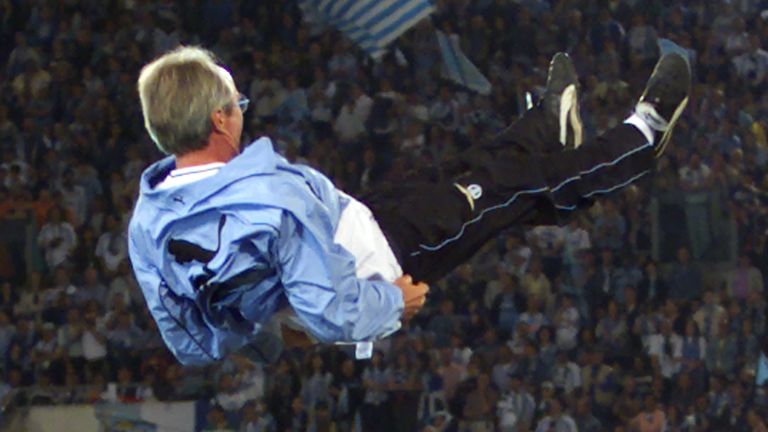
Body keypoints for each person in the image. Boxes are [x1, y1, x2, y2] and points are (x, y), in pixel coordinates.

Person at [128, 45, 691, 365]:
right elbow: (333, 311)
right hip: (381, 258)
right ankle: (642, 138)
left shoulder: (150, 220)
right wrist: (389, 303)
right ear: (219, 120)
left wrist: (274, 327)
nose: (241, 110)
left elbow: (191, 339)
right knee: (515, 189)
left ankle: (543, 127)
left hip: (357, 223)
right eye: (236, 103)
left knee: (464, 173)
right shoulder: (268, 203)